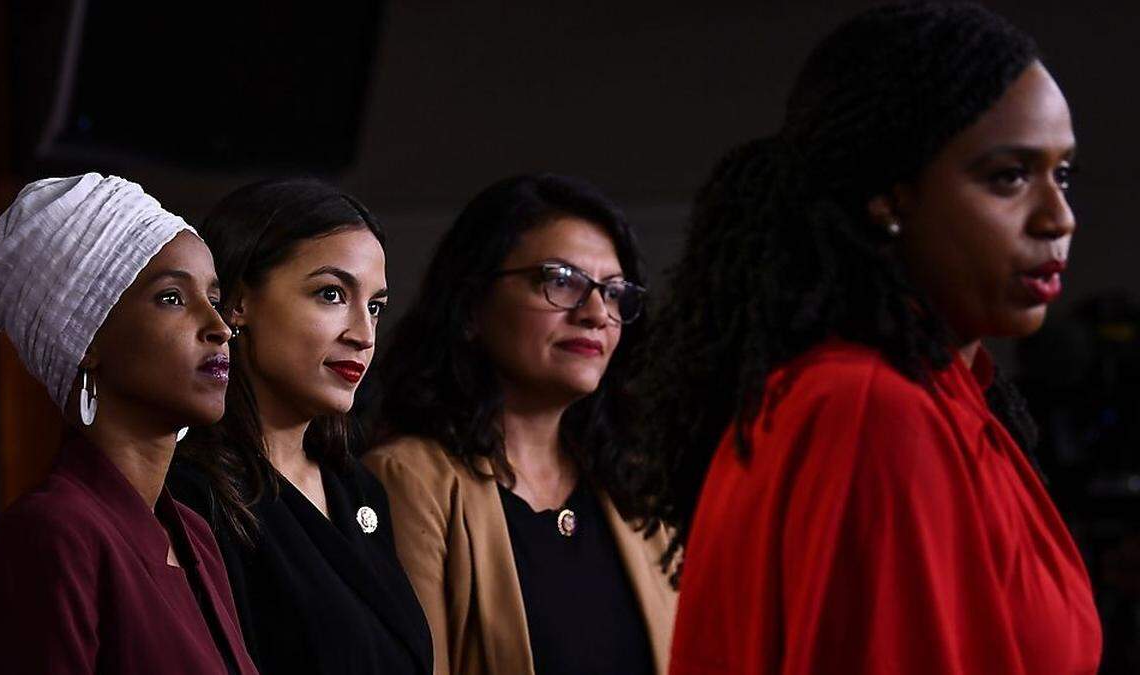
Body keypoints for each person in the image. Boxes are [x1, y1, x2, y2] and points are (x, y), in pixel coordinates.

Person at [636, 3, 1102, 674]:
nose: (1058, 217)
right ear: (889, 194)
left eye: (1062, 174)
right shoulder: (871, 412)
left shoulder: (942, 400)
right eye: (1009, 176)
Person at [364, 173, 676, 675]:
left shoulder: (637, 492)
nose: (597, 312)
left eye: (615, 293)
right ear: (470, 307)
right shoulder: (408, 478)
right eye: (560, 280)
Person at [0, 173, 258, 674]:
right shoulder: (51, 537)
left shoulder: (193, 534)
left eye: (213, 295)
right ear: (86, 338)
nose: (219, 327)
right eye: (171, 298)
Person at [167, 178, 432, 675]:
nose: (364, 334)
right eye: (332, 294)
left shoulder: (357, 487)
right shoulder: (192, 493)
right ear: (238, 302)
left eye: (375, 306)